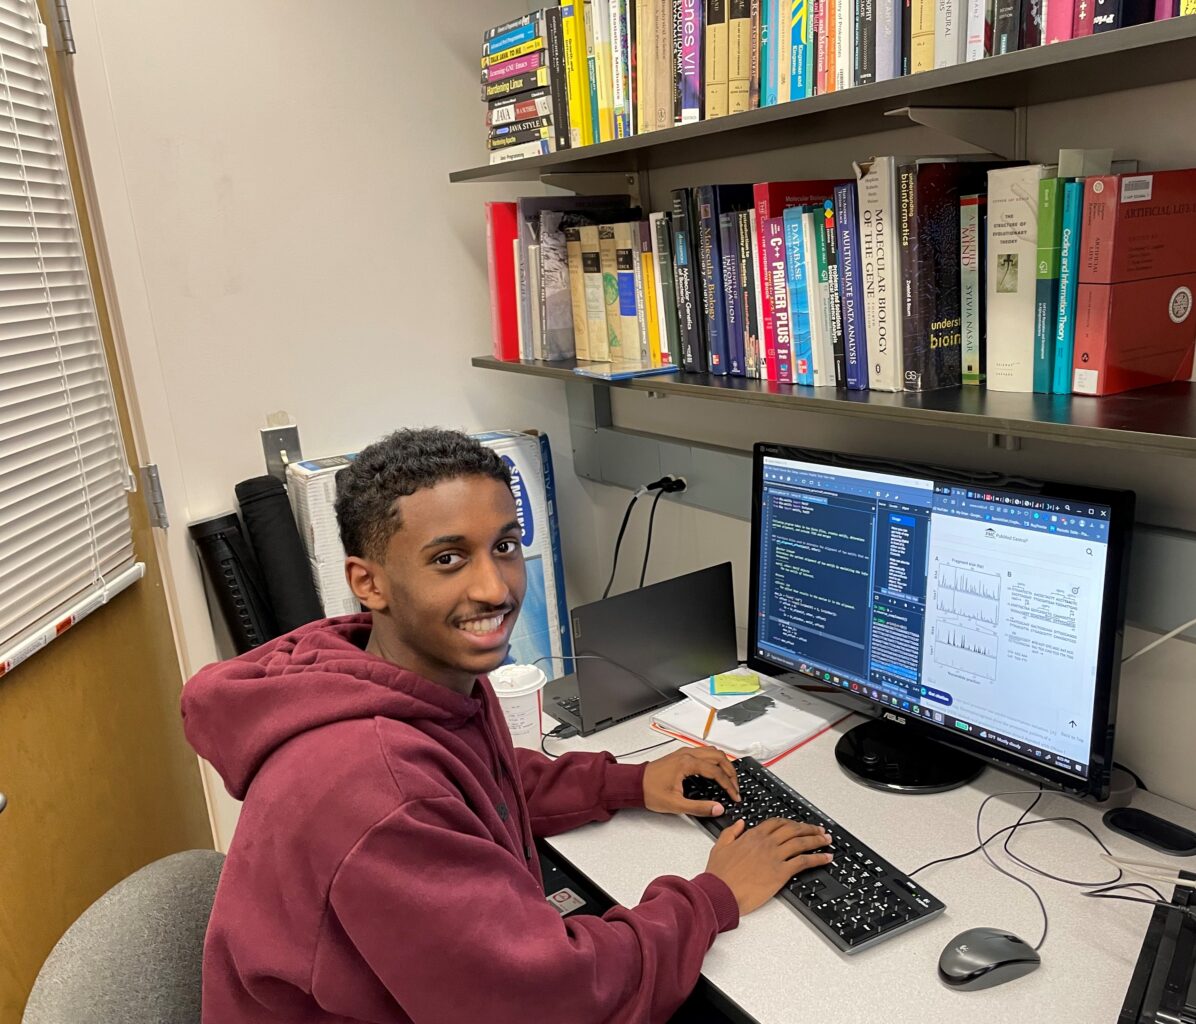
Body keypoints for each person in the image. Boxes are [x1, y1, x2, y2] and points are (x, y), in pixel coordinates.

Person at [182, 428, 832, 1024]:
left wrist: (627, 784)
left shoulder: (392, 675)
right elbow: (557, 1001)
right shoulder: (376, 792)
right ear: (368, 583)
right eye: (448, 559)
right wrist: (714, 895)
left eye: (504, 546)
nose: (495, 588)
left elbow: (479, 781)